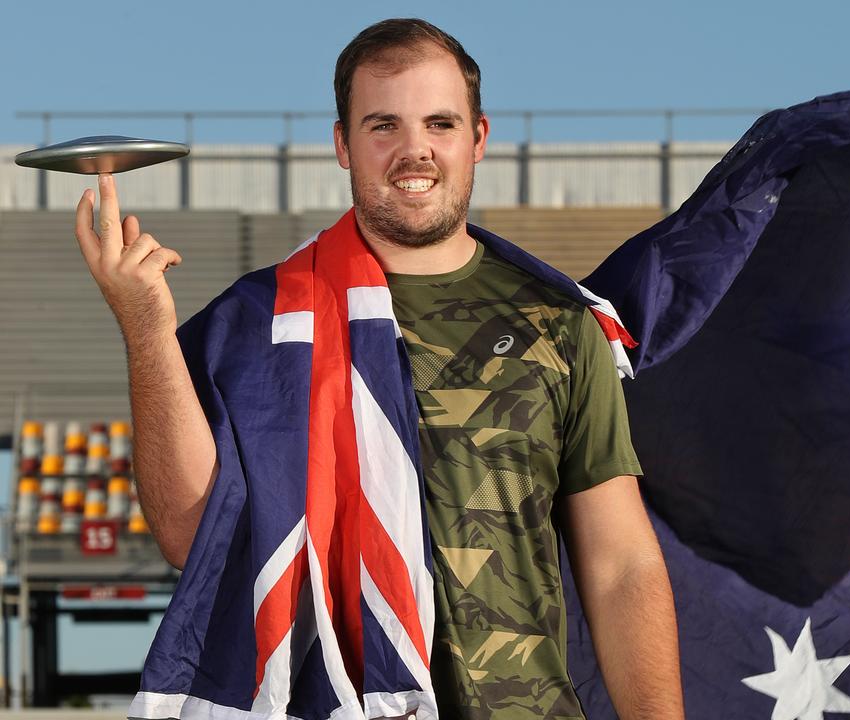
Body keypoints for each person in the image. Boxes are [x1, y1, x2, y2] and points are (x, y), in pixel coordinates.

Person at [73, 17, 684, 720]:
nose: (414, 150)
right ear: (343, 143)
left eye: (440, 124)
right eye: (384, 125)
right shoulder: (256, 322)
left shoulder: (562, 324)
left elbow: (621, 568)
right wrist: (145, 329)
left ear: (478, 138)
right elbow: (189, 536)